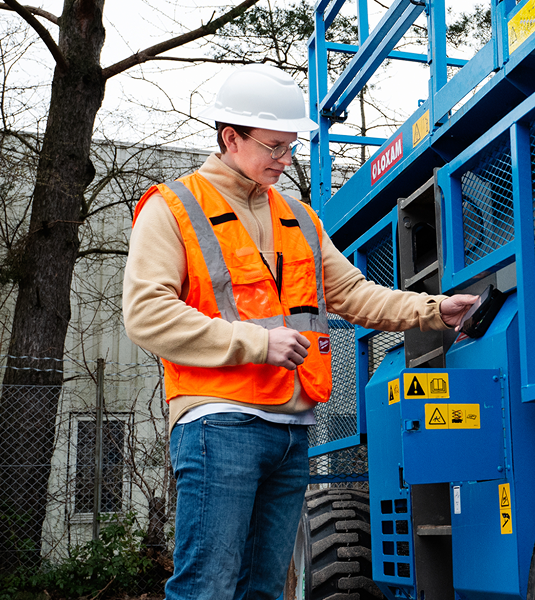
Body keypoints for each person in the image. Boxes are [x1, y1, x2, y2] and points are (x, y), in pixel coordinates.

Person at [122, 64, 477, 600]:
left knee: (265, 589)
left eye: (291, 148)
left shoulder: (300, 217)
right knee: (208, 587)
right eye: (274, 147)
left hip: (290, 430)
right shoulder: (174, 208)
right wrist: (257, 343)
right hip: (219, 424)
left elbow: (356, 295)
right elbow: (146, 312)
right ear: (230, 138)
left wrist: (434, 310)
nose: (285, 161)